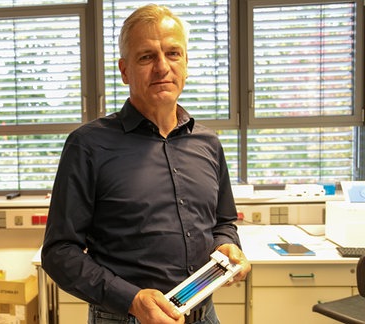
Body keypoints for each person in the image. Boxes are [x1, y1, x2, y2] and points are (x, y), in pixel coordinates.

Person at [41, 4, 251, 324]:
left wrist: (228, 246)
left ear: (186, 64)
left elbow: (223, 222)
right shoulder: (88, 145)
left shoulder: (208, 143)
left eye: (173, 53)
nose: (162, 67)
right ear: (124, 70)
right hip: (125, 318)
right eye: (146, 56)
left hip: (204, 314)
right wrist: (133, 300)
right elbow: (59, 253)